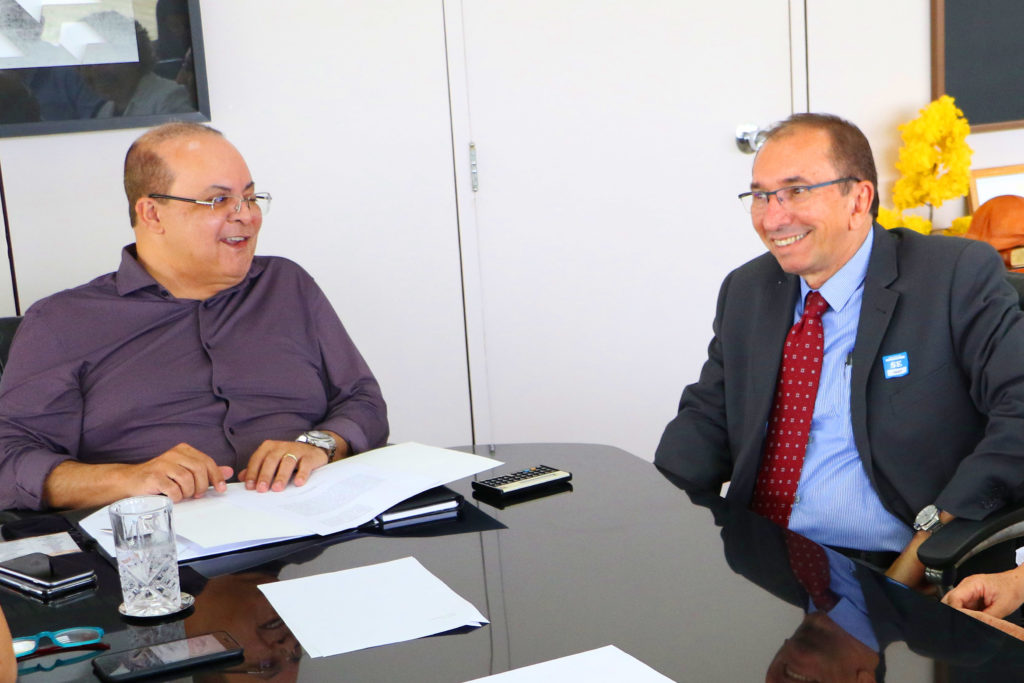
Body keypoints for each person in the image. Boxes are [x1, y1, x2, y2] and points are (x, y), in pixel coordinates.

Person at [654, 112, 1024, 589]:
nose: (772, 217)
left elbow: (1019, 414)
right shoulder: (748, 289)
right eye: (761, 195)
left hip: (894, 567)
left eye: (796, 190)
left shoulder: (951, 277)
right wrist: (651, 518)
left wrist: (925, 545)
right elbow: (708, 418)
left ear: (859, 199)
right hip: (760, 558)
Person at [0, 122, 388, 510]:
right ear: (152, 213)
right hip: (161, 548)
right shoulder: (63, 322)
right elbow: (8, 462)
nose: (247, 217)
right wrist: (128, 478)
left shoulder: (288, 285)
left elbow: (362, 400)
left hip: (314, 528)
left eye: (250, 198)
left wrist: (320, 444)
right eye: (219, 201)